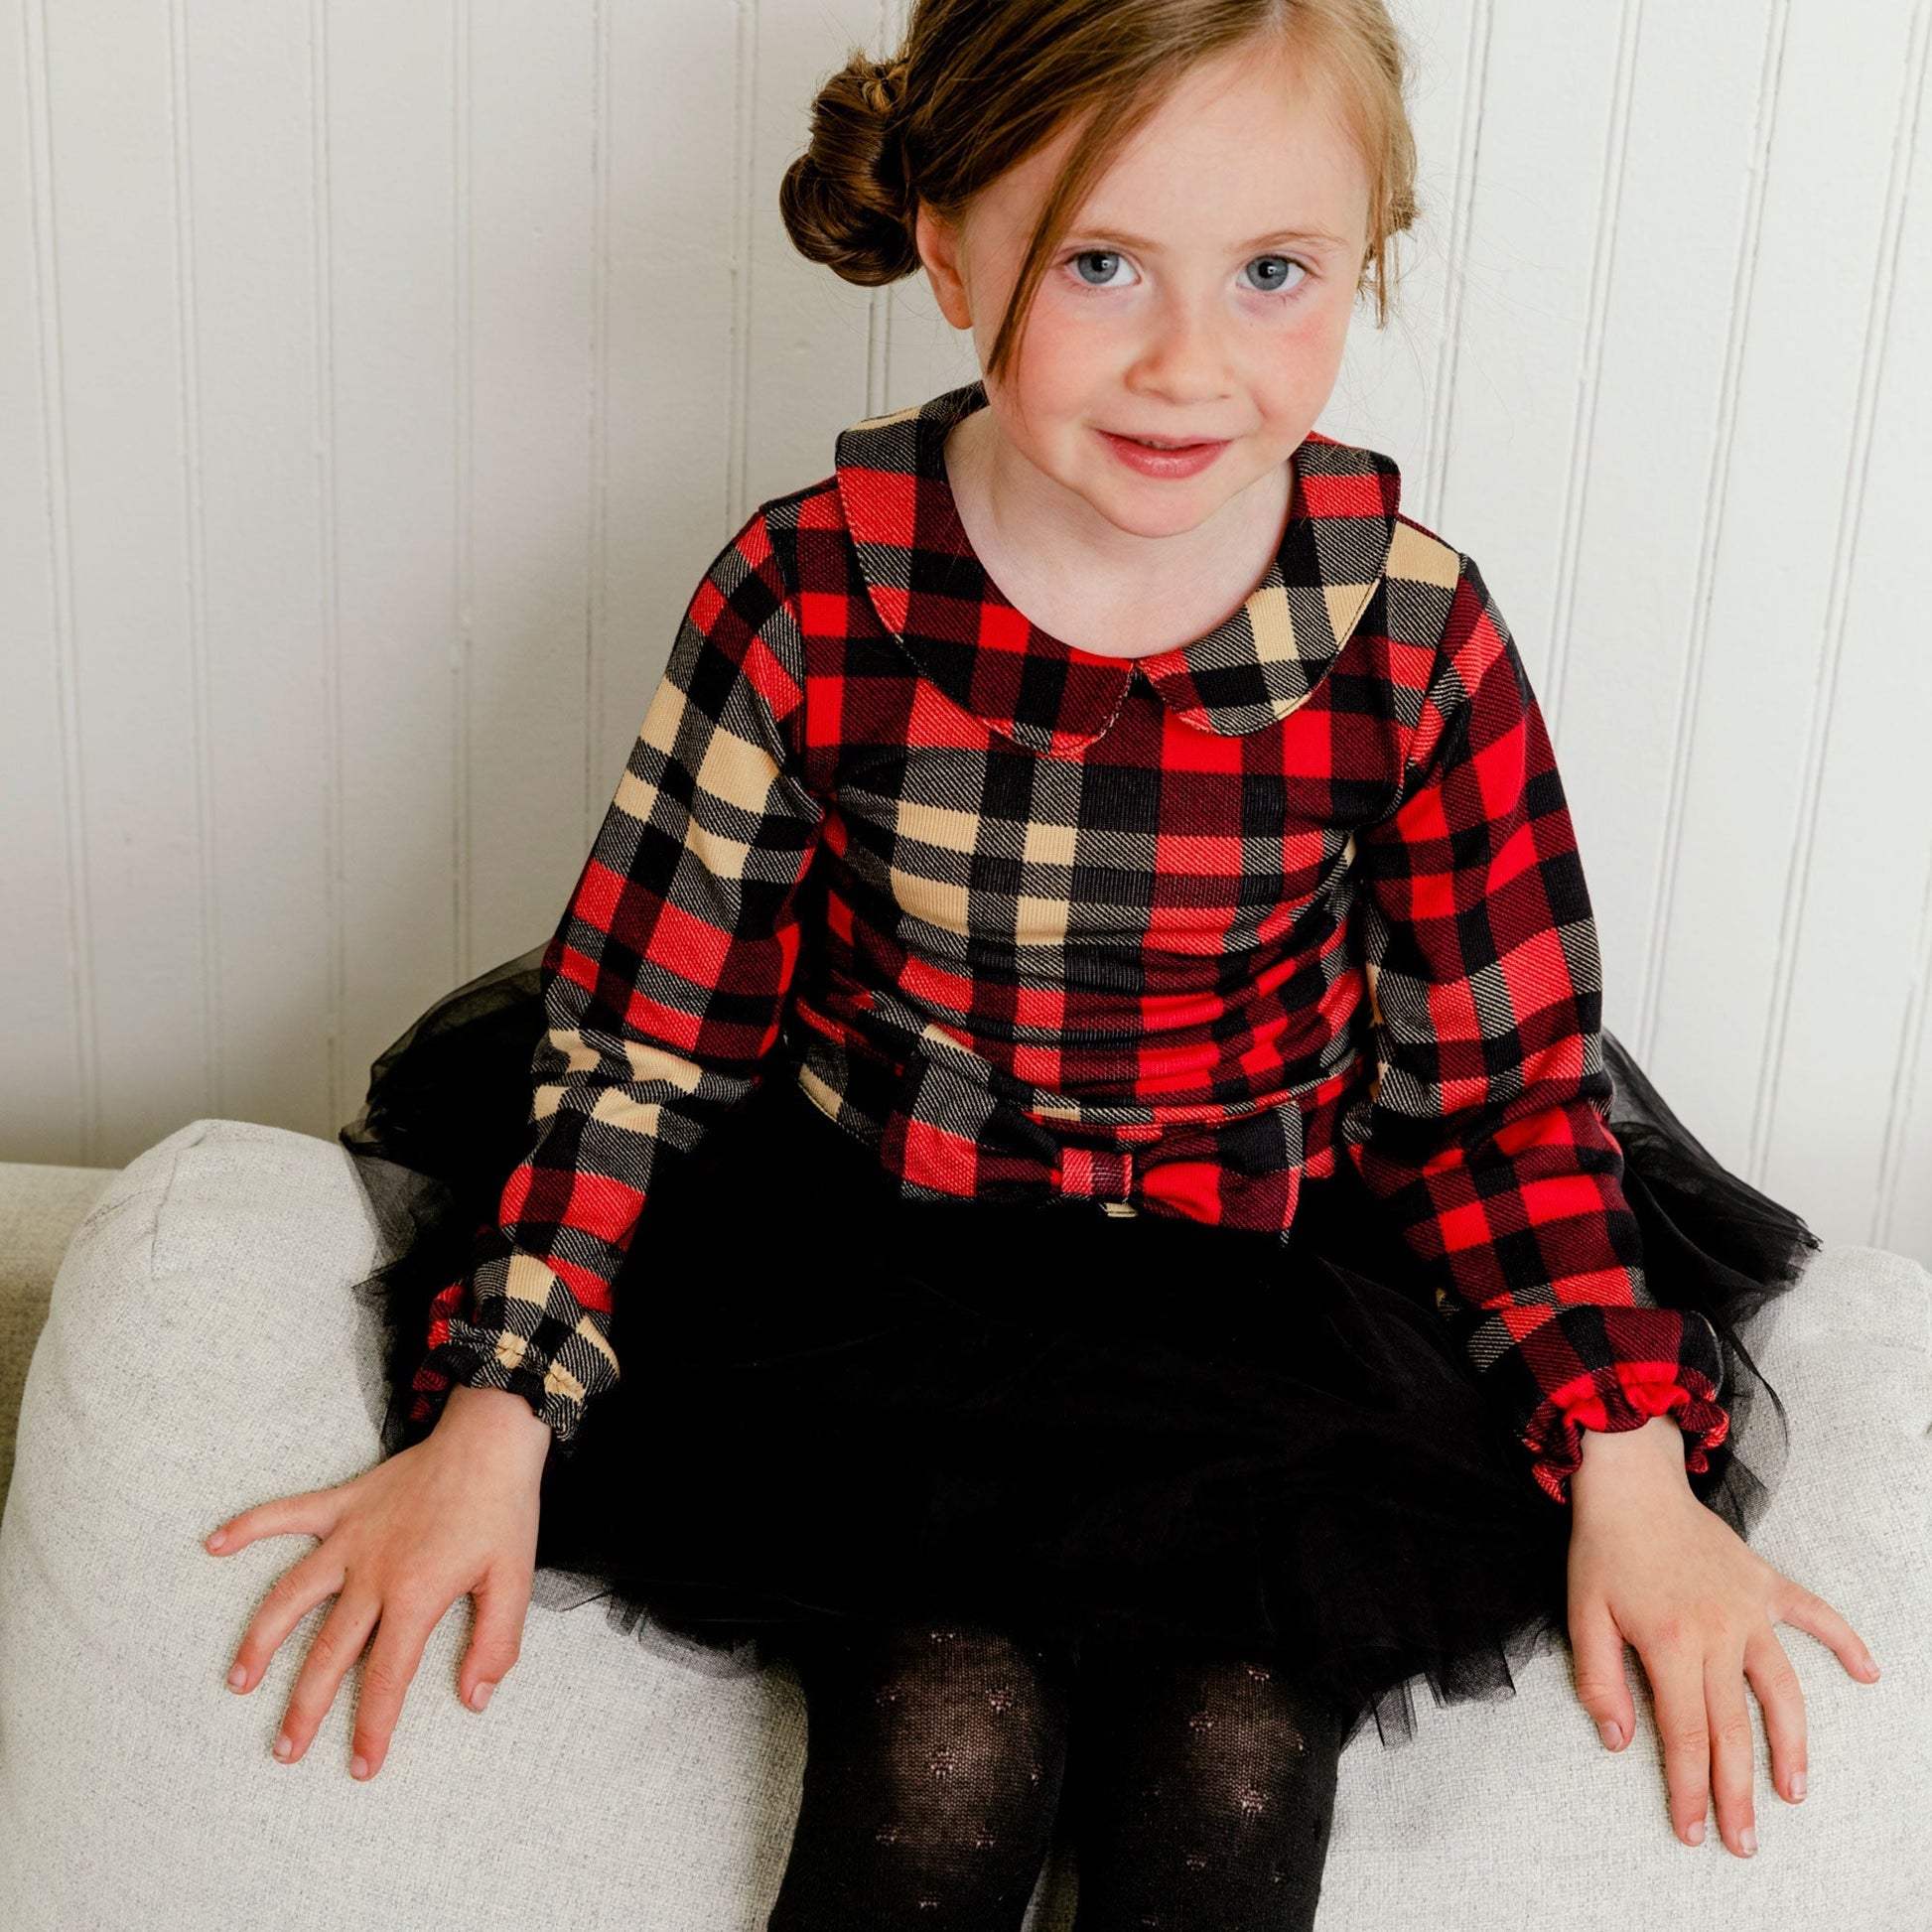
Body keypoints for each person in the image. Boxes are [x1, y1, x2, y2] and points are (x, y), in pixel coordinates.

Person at [203, 1, 1881, 1923]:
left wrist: (1626, 1461)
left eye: (1272, 273)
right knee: (943, 1733)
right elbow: (643, 1042)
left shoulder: (1407, 635)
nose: (1189, 363)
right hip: (885, 1281)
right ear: (948, 252)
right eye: (1100, 264)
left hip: (1262, 1300)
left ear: (1363, 257)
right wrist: (498, 1409)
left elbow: (1497, 1096)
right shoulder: (807, 598)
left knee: (1231, 1752)